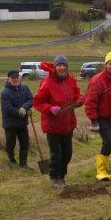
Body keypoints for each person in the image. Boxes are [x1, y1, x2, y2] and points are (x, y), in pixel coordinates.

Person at [33, 56, 84, 187]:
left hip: (68, 123)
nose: (62, 67)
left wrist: (79, 100)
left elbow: (77, 94)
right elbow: (38, 102)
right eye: (59, 65)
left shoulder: (71, 79)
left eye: (64, 65)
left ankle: (62, 176)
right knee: (56, 154)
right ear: (55, 67)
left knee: (67, 153)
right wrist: (50, 108)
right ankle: (54, 178)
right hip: (53, 125)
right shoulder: (47, 82)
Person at [84, 51, 111, 180]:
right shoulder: (97, 81)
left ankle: (103, 169)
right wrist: (93, 120)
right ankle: (100, 171)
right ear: (106, 65)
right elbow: (90, 101)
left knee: (107, 142)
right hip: (100, 117)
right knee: (110, 142)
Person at [0, 69, 34, 169]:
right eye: (13, 78)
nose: (15, 79)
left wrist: (25, 107)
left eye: (17, 77)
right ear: (8, 79)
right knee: (11, 144)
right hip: (10, 123)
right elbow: (8, 108)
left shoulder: (24, 88)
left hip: (22, 123)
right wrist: (20, 112)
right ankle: (12, 161)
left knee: (25, 143)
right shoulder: (5, 92)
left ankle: (23, 163)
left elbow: (31, 99)